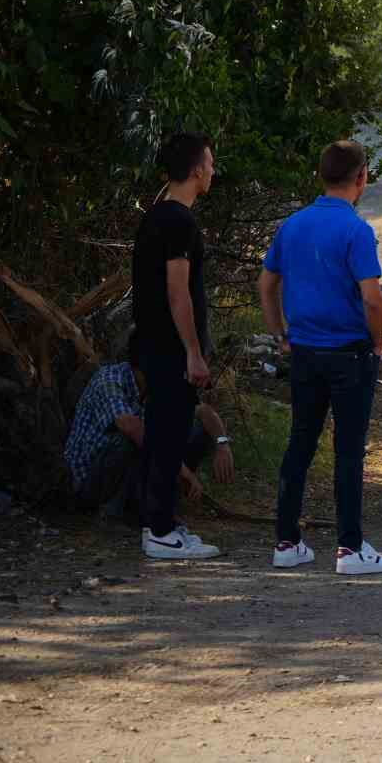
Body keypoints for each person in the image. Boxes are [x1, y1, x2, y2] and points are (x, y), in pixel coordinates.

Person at [259, 140, 382, 576]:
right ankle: (350, 548)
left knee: (300, 441)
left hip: (304, 351)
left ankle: (287, 540)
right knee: (349, 450)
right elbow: (372, 299)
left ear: (321, 175)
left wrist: (280, 333)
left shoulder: (293, 224)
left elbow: (265, 285)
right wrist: (378, 343)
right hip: (349, 353)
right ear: (362, 178)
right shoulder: (357, 230)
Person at [130, 132, 221, 559]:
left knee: (162, 435)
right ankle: (161, 531)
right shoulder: (178, 221)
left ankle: (157, 523)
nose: (213, 170)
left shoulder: (155, 216)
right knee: (168, 438)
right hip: (170, 350)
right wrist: (192, 351)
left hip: (151, 344)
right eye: (210, 162)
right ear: (196, 169)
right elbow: (177, 292)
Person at [63, 339, 235, 521]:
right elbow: (131, 427)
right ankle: (112, 512)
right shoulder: (109, 380)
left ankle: (156, 501)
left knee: (196, 430)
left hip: (125, 470)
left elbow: (203, 411)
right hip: (89, 480)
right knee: (130, 438)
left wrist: (222, 444)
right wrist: (181, 468)